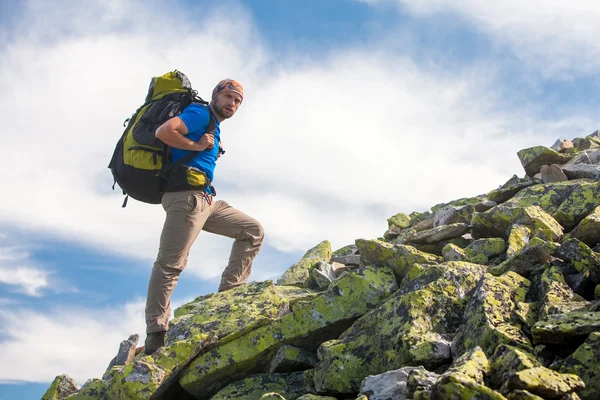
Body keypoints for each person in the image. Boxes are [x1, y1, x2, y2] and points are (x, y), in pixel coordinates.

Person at [144, 79, 264, 355]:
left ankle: (228, 298)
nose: (232, 104)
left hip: (205, 199)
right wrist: (195, 146)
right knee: (170, 265)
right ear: (216, 95)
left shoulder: (214, 124)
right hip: (186, 198)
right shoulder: (200, 114)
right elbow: (165, 131)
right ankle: (156, 332)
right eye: (228, 97)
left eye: (237, 101)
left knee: (252, 231)